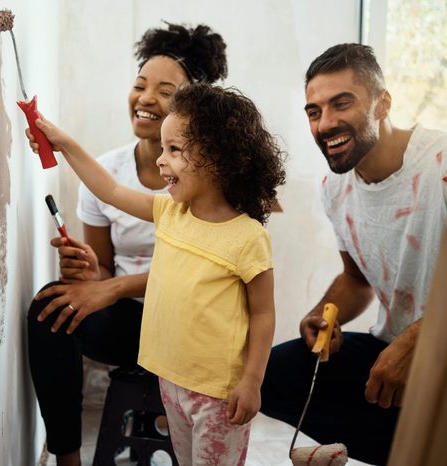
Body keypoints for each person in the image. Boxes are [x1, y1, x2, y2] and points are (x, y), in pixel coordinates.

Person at [260, 43, 447, 465]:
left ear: (383, 103)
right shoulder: (335, 189)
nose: (325, 123)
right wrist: (323, 312)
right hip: (394, 348)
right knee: (274, 376)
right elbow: (356, 279)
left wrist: (423, 338)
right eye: (314, 112)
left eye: (341, 104)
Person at [28, 82, 286, 465]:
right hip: (172, 382)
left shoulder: (248, 237)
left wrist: (252, 381)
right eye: (163, 149)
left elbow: (263, 313)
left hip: (218, 394)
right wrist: (65, 143)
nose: (161, 160)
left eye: (174, 150)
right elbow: (110, 189)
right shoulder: (169, 212)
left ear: (218, 158)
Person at [26, 23, 228, 466]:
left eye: (165, 91)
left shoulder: (211, 178)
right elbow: (102, 271)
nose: (146, 99)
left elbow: (205, 273)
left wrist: (112, 287)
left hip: (190, 327)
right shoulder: (107, 172)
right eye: (139, 86)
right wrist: (88, 271)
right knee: (49, 309)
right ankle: (67, 458)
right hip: (131, 326)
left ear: (193, 106)